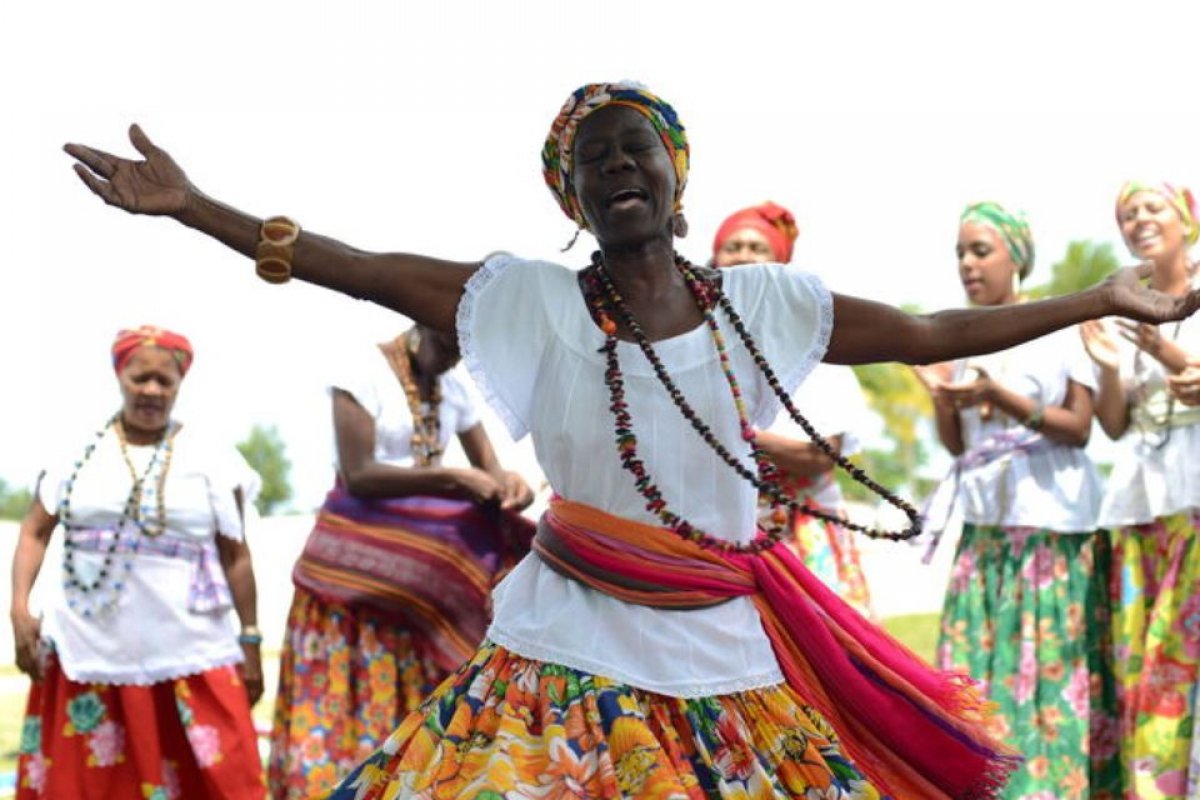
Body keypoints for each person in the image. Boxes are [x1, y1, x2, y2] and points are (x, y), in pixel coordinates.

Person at [63, 82, 1200, 800]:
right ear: (573, 193)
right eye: (592, 156)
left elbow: (931, 328)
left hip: (724, 658)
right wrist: (196, 207)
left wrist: (1097, 297)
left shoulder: (769, 306)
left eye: (634, 149)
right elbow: (352, 263)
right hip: (560, 646)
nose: (616, 166)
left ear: (674, 178)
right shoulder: (531, 303)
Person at [267, 323, 535, 799]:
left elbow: (490, 471)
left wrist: (511, 485)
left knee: (409, 736)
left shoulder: (451, 386)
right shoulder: (361, 371)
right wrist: (454, 481)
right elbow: (359, 474)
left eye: (461, 351)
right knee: (342, 733)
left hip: (418, 599)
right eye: (448, 345)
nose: (452, 359)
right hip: (351, 589)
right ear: (420, 322)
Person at [914, 202, 1119, 798]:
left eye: (981, 251)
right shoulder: (958, 336)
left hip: (1050, 530)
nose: (967, 265)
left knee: (1051, 668)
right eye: (960, 253)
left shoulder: (1056, 330)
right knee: (982, 674)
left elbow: (1079, 428)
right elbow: (957, 445)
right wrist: (943, 397)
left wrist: (998, 395)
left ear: (1017, 258)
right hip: (987, 532)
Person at [10, 325, 266, 799]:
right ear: (120, 376)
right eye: (140, 378)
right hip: (89, 648)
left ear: (179, 386)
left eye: (164, 381)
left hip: (192, 650)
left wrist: (250, 639)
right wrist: (19, 609)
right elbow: (34, 531)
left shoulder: (213, 458)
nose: (151, 390)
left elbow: (237, 556)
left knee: (223, 778)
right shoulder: (75, 454)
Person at [1080, 180, 1200, 799]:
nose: (1139, 221)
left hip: (1194, 495)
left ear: (1187, 217)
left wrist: (1171, 354)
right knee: (1140, 661)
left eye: (1152, 207)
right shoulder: (1127, 305)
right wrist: (1106, 368)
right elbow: (1115, 423)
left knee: (1182, 657)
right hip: (1137, 503)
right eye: (1128, 214)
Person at [712, 201, 876, 617]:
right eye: (733, 247)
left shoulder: (817, 350)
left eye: (757, 247)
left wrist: (727, 429)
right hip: (721, 536)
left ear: (781, 266)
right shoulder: (693, 347)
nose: (744, 256)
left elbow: (818, 459)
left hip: (805, 539)